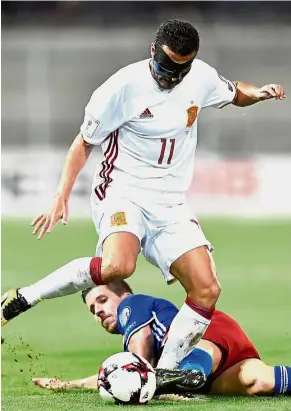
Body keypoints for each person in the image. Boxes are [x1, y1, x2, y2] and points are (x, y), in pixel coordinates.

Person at [1, 19, 286, 371]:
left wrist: (257, 93)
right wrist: (61, 194)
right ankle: (23, 297)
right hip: (124, 192)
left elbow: (232, 92)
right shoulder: (120, 88)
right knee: (119, 266)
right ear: (153, 51)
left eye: (181, 69)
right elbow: (83, 143)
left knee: (207, 289)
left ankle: (165, 375)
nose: (172, 76)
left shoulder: (199, 77)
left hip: (171, 203)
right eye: (166, 67)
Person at [32, 282, 291, 397]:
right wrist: (71, 385)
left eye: (102, 300)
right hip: (224, 367)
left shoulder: (132, 304)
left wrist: (146, 387)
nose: (98, 311)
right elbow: (119, 375)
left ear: (123, 295)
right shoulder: (128, 326)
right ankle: (183, 378)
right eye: (92, 310)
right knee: (259, 381)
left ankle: (184, 375)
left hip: (201, 333)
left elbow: (138, 360)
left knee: (190, 352)